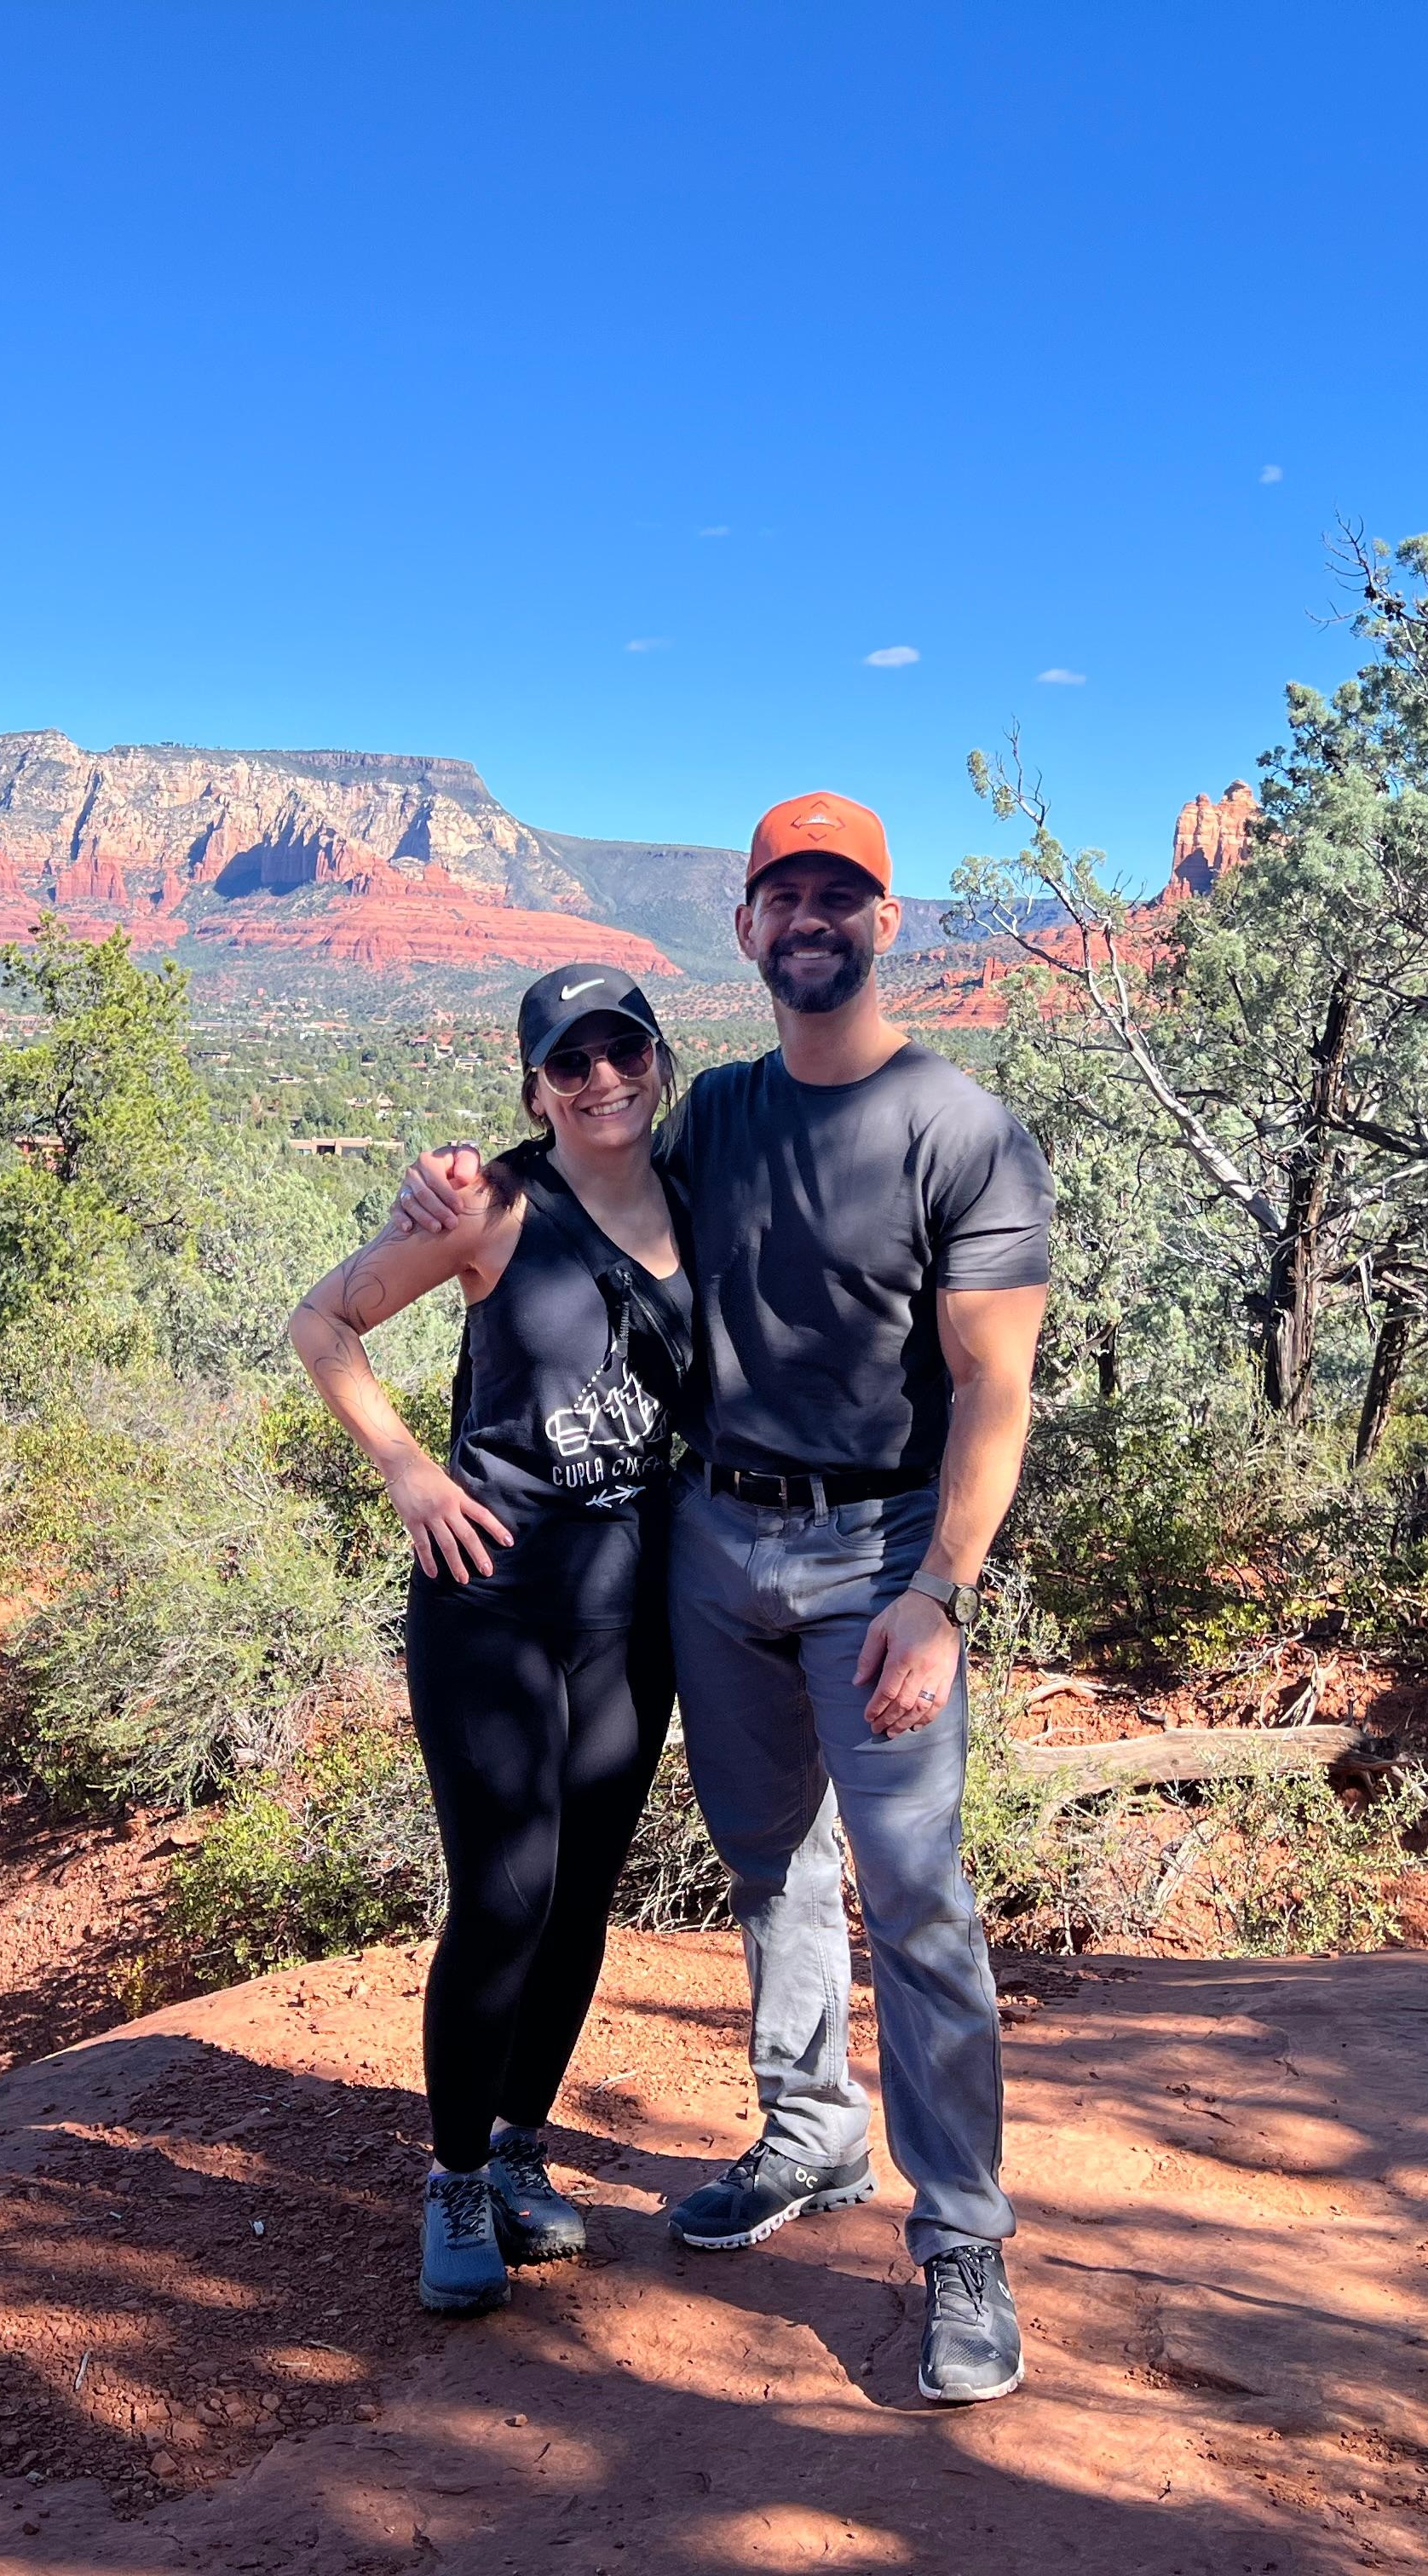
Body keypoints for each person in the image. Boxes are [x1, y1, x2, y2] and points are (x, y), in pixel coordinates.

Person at [395, 791, 1051, 2403]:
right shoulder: (716, 1114)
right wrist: (446, 1191)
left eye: (846, 893)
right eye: (787, 896)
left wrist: (943, 1591)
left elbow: (995, 1392)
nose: (815, 918)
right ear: (747, 928)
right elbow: (576, 1185)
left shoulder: (961, 1130)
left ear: (885, 921)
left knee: (915, 1892)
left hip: (884, 1560)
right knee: (768, 1860)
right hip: (712, 1546)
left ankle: (961, 2243)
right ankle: (811, 2133)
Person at [287, 963, 695, 2316]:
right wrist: (407, 1467)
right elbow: (323, 1320)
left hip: (632, 1611)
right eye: (567, 1065)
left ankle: (520, 2149)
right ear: (533, 1088)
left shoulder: (700, 1198)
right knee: (507, 1894)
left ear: (658, 1057)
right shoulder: (493, 1207)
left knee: (583, 1893)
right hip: (493, 1601)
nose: (600, 1081)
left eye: (620, 1050)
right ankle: (454, 2177)